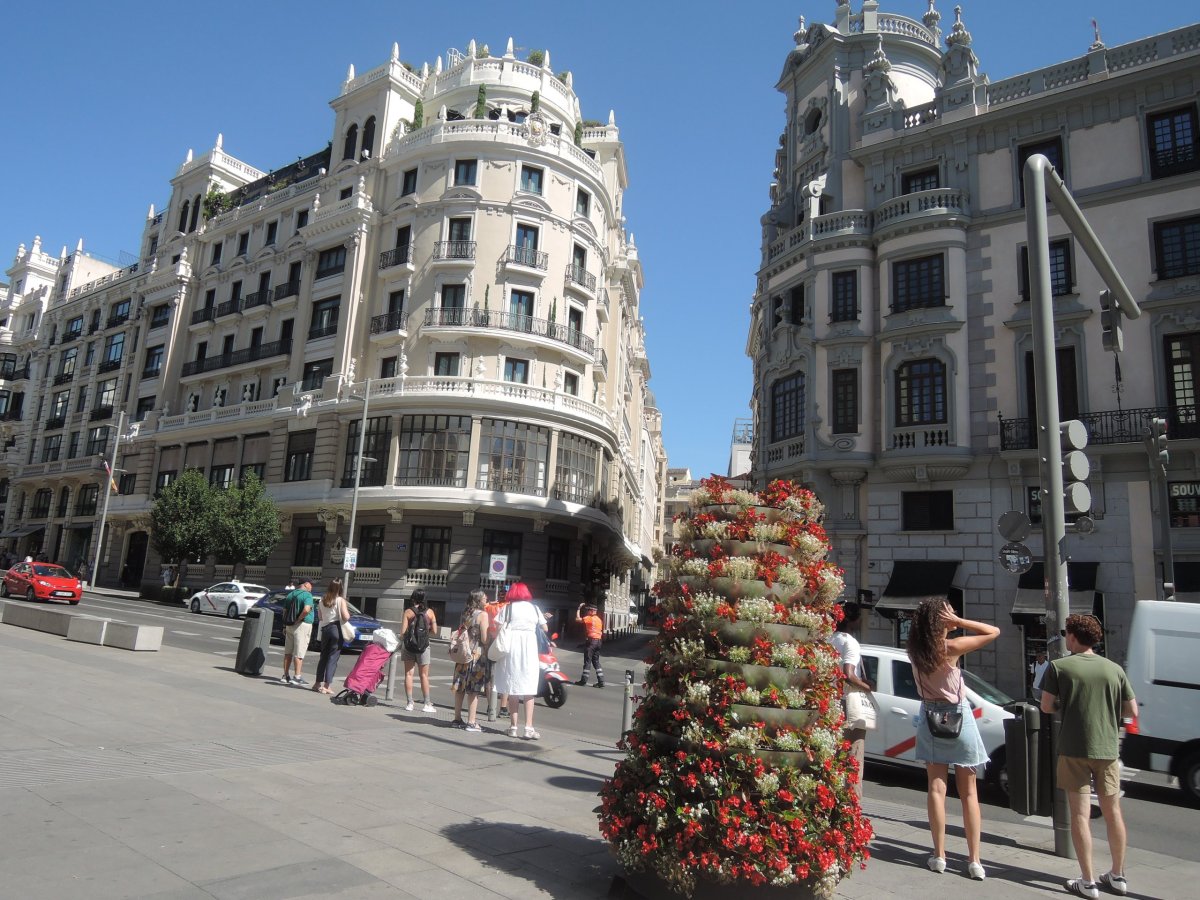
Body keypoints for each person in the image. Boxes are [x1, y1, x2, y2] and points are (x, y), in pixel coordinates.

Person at [1040, 615, 1136, 899]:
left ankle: (1088, 881)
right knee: (1113, 813)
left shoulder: (1059, 667)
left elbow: (1046, 707)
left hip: (1073, 747)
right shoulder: (1114, 669)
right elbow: (1131, 711)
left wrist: (1071, 703)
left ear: (1072, 637)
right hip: (1106, 747)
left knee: (1080, 814)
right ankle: (1118, 876)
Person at [907, 598, 999, 881]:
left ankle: (939, 855)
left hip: (930, 718)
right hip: (958, 718)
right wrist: (960, 624)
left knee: (936, 788)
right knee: (969, 792)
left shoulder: (914, 651)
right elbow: (993, 632)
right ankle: (974, 860)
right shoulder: (950, 648)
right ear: (942, 621)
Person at [492, 582, 546, 740]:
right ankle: (528, 728)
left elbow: (496, 625)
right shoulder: (534, 608)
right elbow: (545, 628)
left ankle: (513, 727)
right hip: (529, 648)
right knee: (529, 688)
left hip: (511, 648)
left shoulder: (507, 608)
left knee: (512, 686)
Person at [832, 601, 874, 800]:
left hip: (830, 702)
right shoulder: (850, 642)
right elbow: (848, 674)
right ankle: (852, 814)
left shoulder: (828, 639)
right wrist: (868, 687)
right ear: (854, 620)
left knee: (834, 758)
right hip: (848, 703)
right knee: (854, 758)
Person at [451, 590, 491, 732]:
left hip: (463, 654)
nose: (487, 600)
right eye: (485, 598)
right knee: (474, 689)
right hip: (476, 656)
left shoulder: (465, 613)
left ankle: (457, 719)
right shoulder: (483, 615)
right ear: (479, 600)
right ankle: (471, 722)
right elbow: (485, 639)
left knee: (460, 686)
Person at [401, 589, 438, 712]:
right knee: (424, 675)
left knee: (408, 674)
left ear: (413, 598)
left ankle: (409, 703)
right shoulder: (430, 612)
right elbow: (435, 631)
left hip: (409, 646)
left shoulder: (408, 612)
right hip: (423, 647)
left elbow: (402, 633)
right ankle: (427, 704)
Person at [312, 578, 351, 695]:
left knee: (323, 656)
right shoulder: (340, 600)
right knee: (333, 657)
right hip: (336, 629)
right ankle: (326, 686)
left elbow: (320, 617)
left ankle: (317, 683)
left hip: (325, 629)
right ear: (340, 588)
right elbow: (346, 617)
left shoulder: (322, 599)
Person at [279, 578, 315, 686]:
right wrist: (298, 619)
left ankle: (285, 675)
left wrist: (285, 625)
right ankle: (297, 677)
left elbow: (284, 611)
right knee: (299, 653)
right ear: (306, 584)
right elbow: (306, 609)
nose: (312, 586)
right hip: (302, 625)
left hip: (289, 626)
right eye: (311, 584)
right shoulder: (307, 595)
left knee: (288, 652)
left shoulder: (291, 594)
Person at [574, 603, 606, 687]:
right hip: (599, 641)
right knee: (596, 662)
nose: (587, 612)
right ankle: (601, 681)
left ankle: (583, 681)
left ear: (592, 611)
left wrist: (578, 608)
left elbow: (577, 619)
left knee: (587, 661)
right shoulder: (599, 619)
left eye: (588, 610)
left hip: (591, 642)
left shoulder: (589, 618)